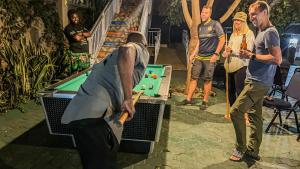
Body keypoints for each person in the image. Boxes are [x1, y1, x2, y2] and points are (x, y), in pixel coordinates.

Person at [61, 32, 149, 169]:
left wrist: (127, 90)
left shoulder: (111, 58)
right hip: (94, 118)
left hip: (80, 114)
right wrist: (127, 98)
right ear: (145, 44)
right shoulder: (139, 47)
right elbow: (127, 51)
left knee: (97, 161)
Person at [229, 1, 282, 161]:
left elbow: (277, 58)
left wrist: (252, 56)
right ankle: (253, 151)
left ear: (264, 13)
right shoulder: (261, 31)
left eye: (254, 14)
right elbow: (259, 55)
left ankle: (240, 148)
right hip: (254, 80)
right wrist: (246, 54)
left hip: (258, 83)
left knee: (236, 112)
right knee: (255, 116)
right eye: (250, 14)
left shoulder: (270, 32)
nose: (251, 17)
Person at [178, 5, 225, 110]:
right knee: (194, 78)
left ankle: (205, 101)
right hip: (199, 57)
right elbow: (199, 42)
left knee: (207, 80)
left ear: (210, 14)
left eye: (206, 13)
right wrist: (193, 53)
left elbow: (222, 39)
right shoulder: (200, 26)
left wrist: (216, 54)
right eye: (202, 12)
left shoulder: (215, 24)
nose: (203, 14)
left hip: (210, 58)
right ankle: (188, 99)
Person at [222, 12, 255, 123]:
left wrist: (232, 51)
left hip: (241, 66)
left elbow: (247, 52)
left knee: (240, 92)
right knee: (230, 91)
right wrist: (225, 52)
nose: (236, 22)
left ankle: (244, 115)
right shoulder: (233, 35)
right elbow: (228, 51)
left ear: (244, 22)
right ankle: (234, 112)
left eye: (239, 21)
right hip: (230, 66)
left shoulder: (249, 34)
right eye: (235, 20)